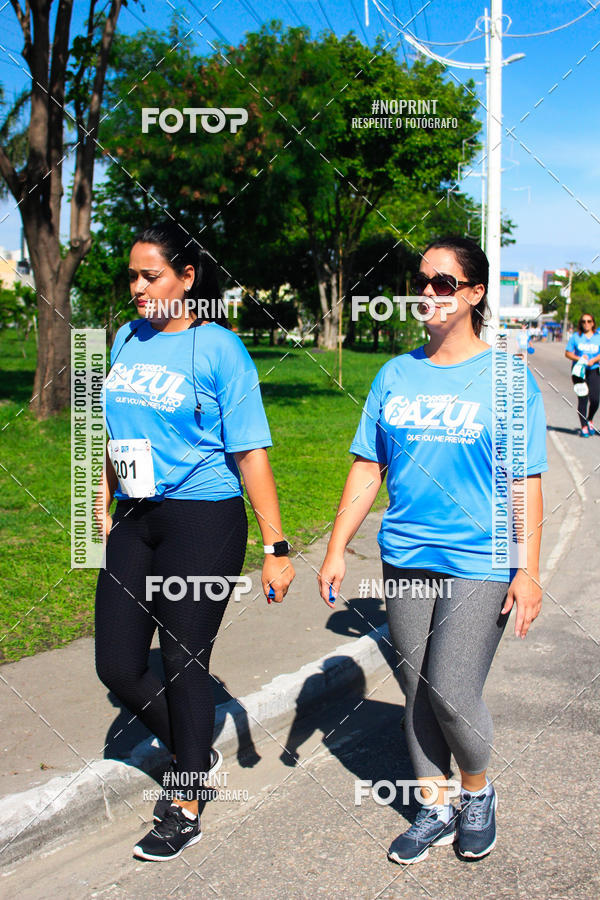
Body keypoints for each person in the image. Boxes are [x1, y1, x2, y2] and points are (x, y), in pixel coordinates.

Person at [318, 236, 547, 865]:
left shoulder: (507, 377)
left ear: (474, 294)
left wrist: (527, 571)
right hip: (406, 553)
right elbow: (369, 467)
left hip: (481, 557)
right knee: (415, 689)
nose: (428, 293)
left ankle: (477, 792)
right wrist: (337, 546)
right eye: (421, 281)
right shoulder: (396, 373)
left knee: (449, 691)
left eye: (444, 283)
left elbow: (526, 480)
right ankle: (434, 803)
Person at [94, 222, 294, 861]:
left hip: (203, 518)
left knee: (182, 659)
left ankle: (185, 800)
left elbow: (251, 453)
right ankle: (192, 751)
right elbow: (112, 428)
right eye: (132, 275)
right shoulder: (126, 338)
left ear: (187, 278)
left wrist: (276, 546)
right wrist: (101, 504)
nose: (138, 287)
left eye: (151, 275)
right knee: (119, 664)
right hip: (135, 515)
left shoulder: (219, 349)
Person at [564, 313, 600, 436]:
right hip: (579, 372)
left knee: (595, 399)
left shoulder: (597, 337)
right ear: (581, 323)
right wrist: (579, 358)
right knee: (583, 399)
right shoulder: (576, 337)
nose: (586, 324)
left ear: (593, 323)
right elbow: (567, 353)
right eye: (584, 321)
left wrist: (594, 360)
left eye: (589, 321)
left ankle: (589, 419)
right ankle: (584, 426)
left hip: (594, 369)